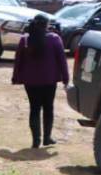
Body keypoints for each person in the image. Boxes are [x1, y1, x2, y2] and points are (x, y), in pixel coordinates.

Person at [11, 15, 68, 148]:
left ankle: (36, 140)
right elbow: (62, 60)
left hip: (30, 82)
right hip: (49, 80)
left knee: (34, 109)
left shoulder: (25, 40)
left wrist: (15, 77)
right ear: (46, 25)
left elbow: (18, 60)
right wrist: (65, 78)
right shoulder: (54, 39)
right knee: (48, 108)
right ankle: (47, 138)